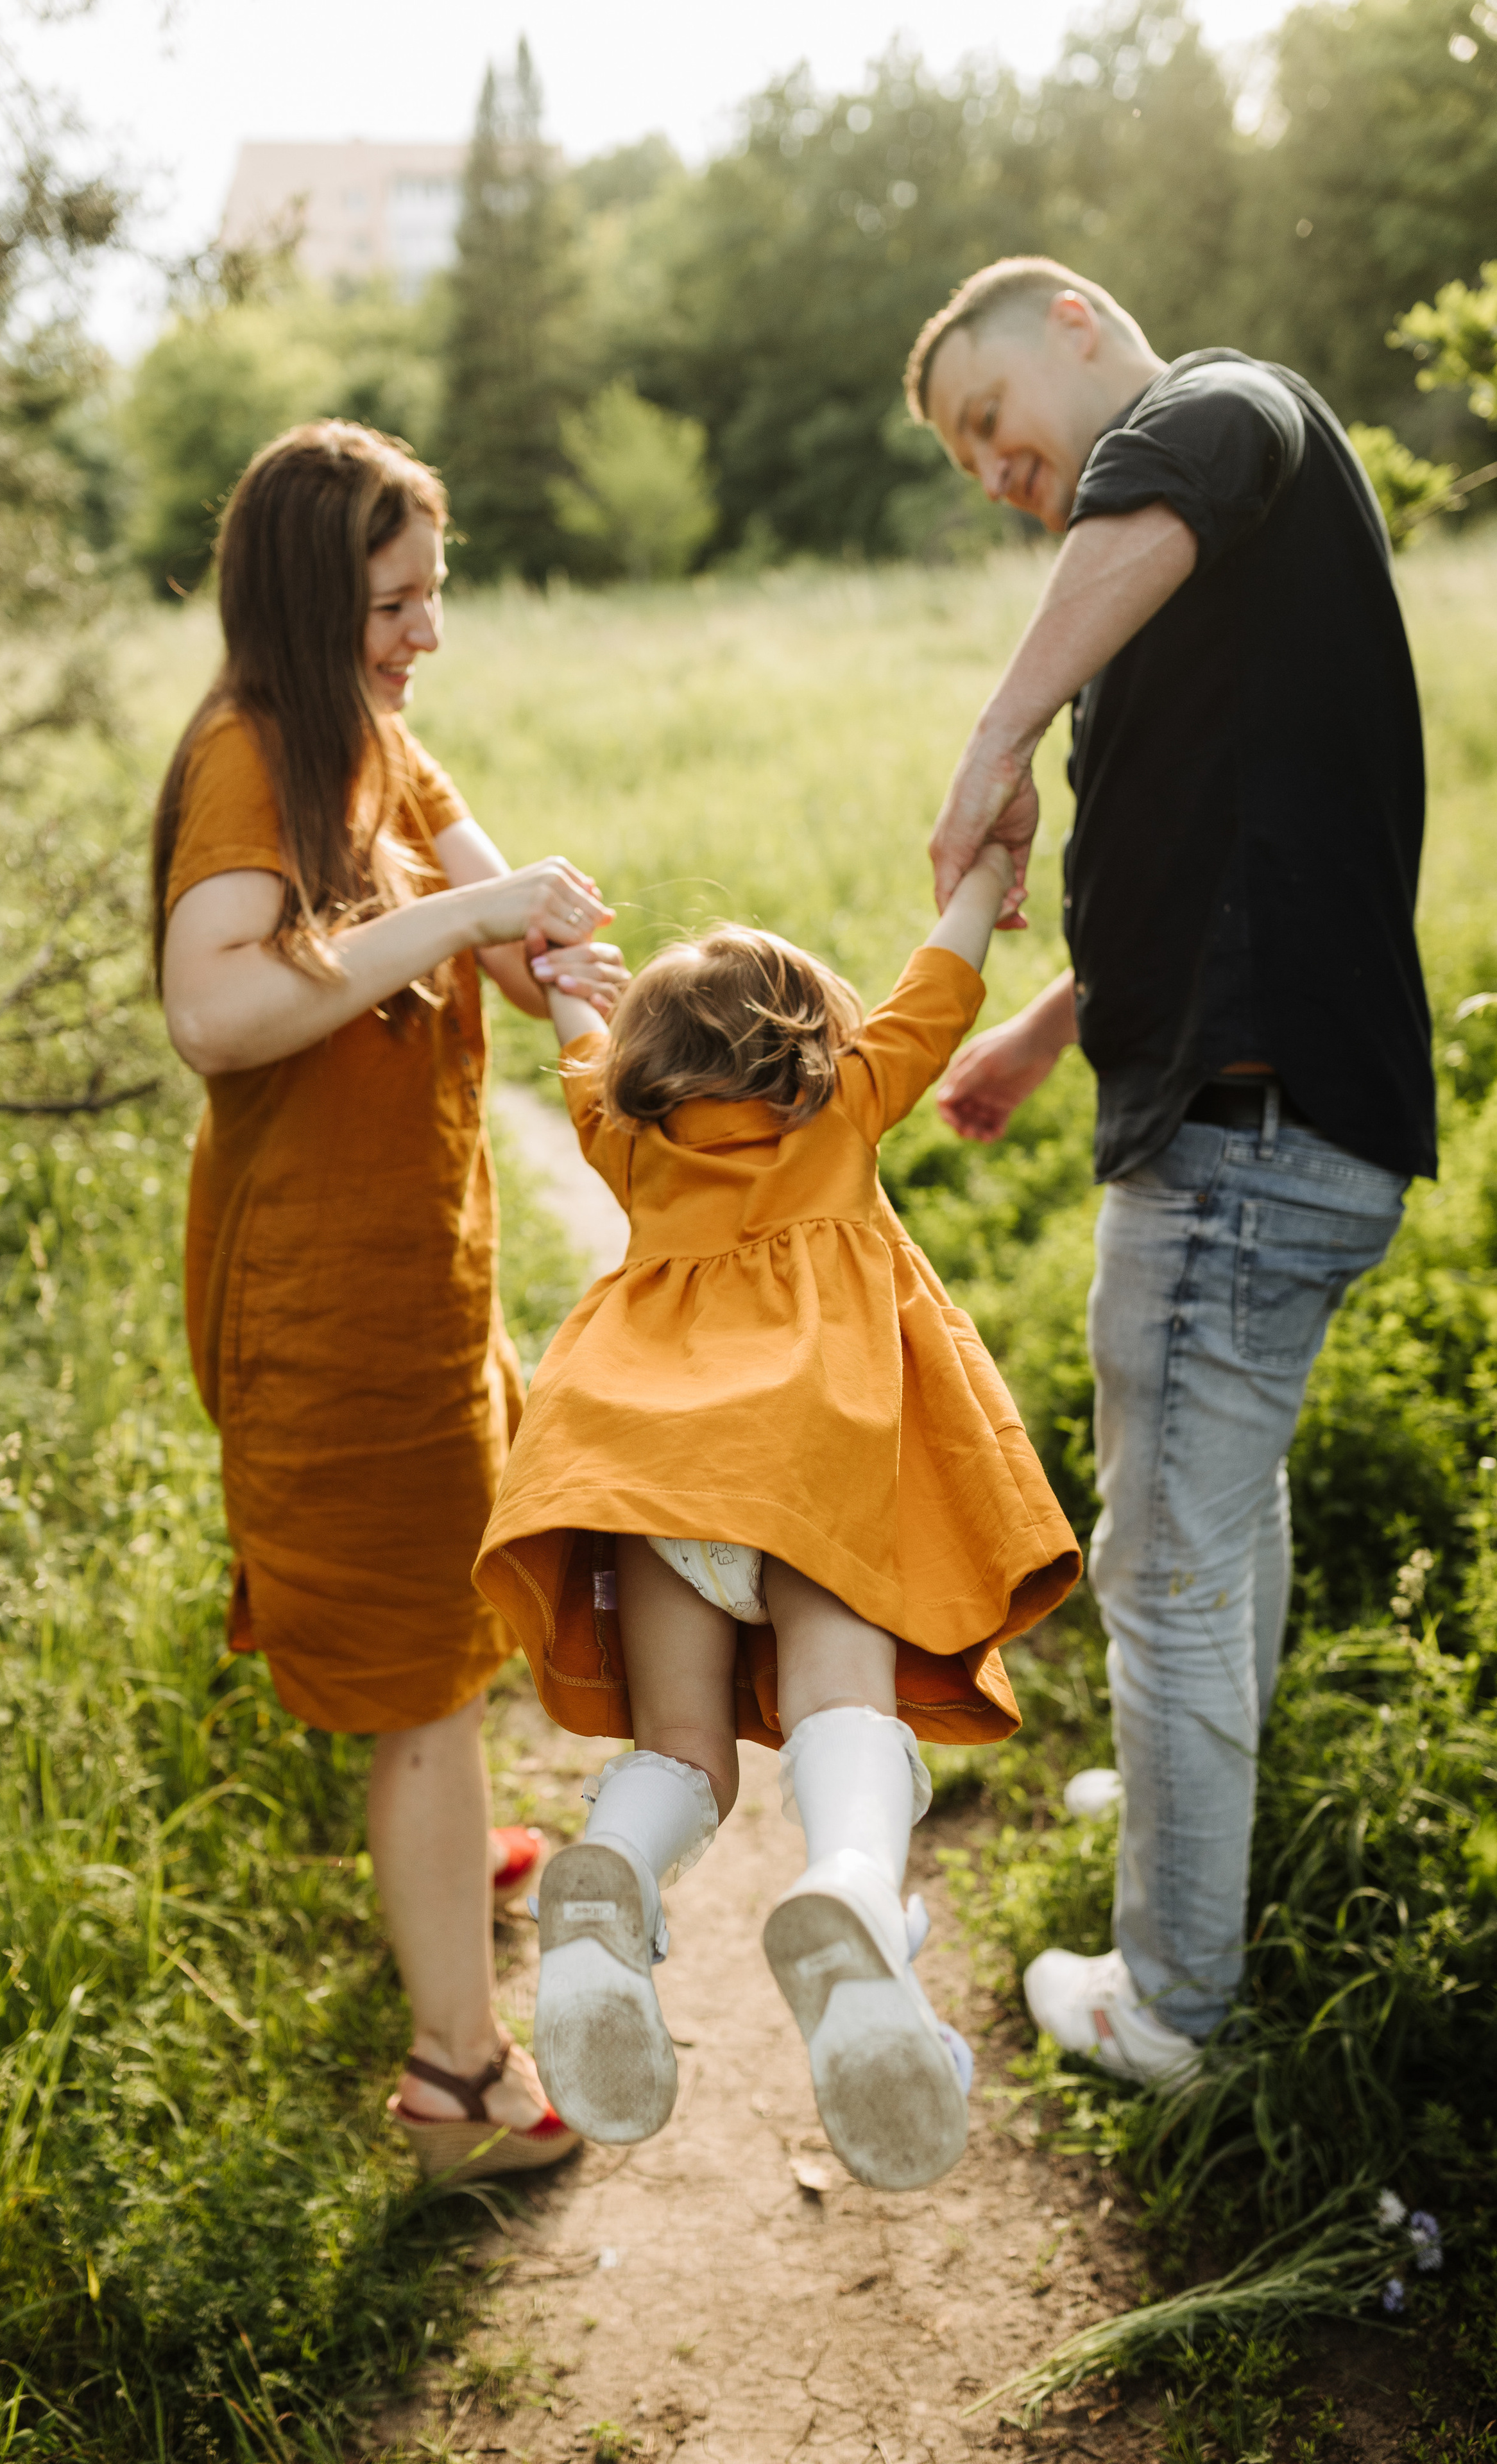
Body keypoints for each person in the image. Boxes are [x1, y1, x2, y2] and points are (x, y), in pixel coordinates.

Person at [904, 257, 1436, 2078]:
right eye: (967, 462)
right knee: (1230, 1523)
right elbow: (1235, 835)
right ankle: (1185, 1824)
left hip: (1245, 1141)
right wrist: (1052, 1024)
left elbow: (1198, 448)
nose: (994, 469)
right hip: (1277, 1119)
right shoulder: (1213, 571)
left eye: (991, 421)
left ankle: (1170, 2004)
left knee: (1170, 1573)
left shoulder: (1218, 408)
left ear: (1073, 320)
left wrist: (1001, 732)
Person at [151, 420, 629, 2180]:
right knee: (419, 1688)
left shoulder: (371, 739)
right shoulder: (252, 761)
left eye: (437, 596)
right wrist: (470, 915)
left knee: (452, 1613)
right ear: (302, 599)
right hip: (328, 1318)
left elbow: (479, 916)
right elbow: (216, 1008)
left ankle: (448, 1853)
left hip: (419, 1287)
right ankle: (460, 2087)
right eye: (393, 604)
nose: (427, 634)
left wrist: (545, 948)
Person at [474, 853, 1081, 2192]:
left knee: (682, 1748)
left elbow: (583, 1045)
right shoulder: (846, 1103)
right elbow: (940, 985)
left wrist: (583, 989)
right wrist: (983, 878)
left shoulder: (625, 1137)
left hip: (649, 1472)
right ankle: (854, 1886)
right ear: (815, 1043)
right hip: (810, 1466)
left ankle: (613, 1875)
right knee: (835, 1700)